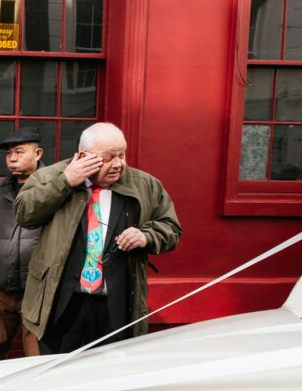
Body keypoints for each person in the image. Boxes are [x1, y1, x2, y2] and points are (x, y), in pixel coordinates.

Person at [14, 122, 181, 355]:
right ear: (83, 156)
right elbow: (23, 213)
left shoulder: (145, 185)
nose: (118, 164)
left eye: (122, 155)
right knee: (55, 369)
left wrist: (146, 236)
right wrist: (65, 182)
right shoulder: (52, 176)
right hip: (60, 300)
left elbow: (172, 228)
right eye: (108, 157)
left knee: (108, 372)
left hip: (115, 304)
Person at [0, 126, 44, 361]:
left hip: (36, 288)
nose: (12, 158)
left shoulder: (50, 187)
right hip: (2, 287)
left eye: (19, 152)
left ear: (38, 154)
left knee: (34, 351)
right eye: (8, 154)